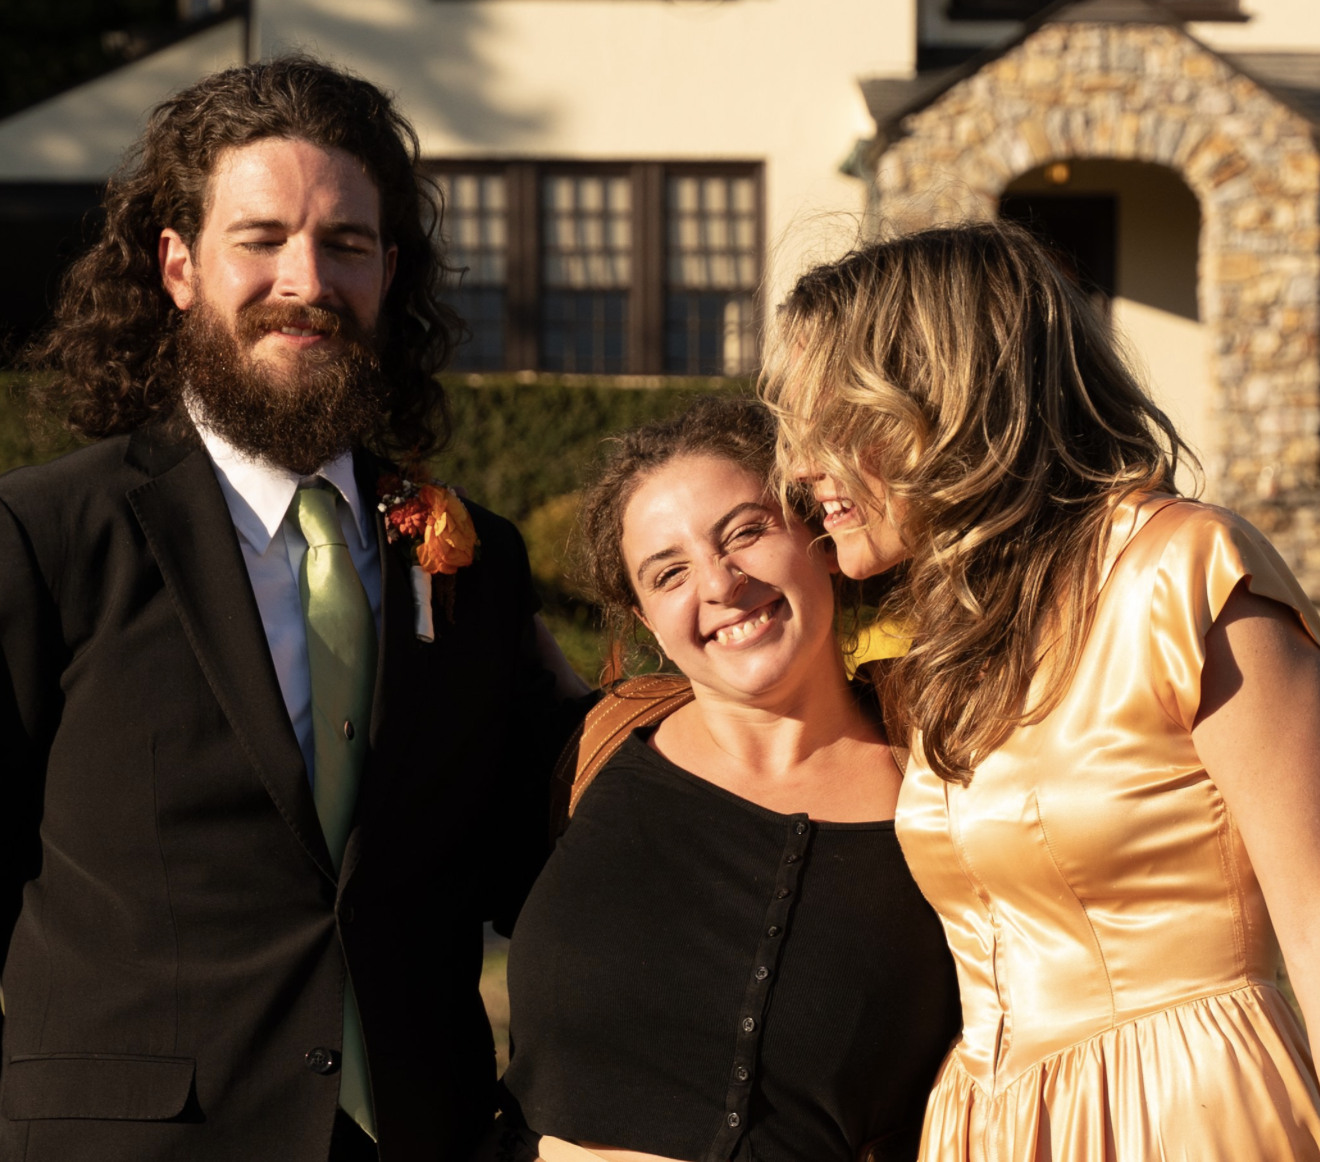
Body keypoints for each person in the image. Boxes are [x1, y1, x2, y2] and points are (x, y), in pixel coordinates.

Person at [0, 57, 562, 1162]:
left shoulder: (476, 558)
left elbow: (532, 869)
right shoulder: (45, 537)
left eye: (345, 243)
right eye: (261, 239)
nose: (306, 280)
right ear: (178, 266)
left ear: (387, 272)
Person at [762, 220, 1320, 1160]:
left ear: (952, 399)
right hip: (992, 1126)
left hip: (1186, 1115)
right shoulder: (949, 639)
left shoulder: (1184, 571)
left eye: (836, 420)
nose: (800, 467)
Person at [483, 396, 961, 1162]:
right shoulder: (592, 754)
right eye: (668, 572)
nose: (719, 583)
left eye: (745, 532)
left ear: (820, 538)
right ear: (645, 618)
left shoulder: (950, 795)